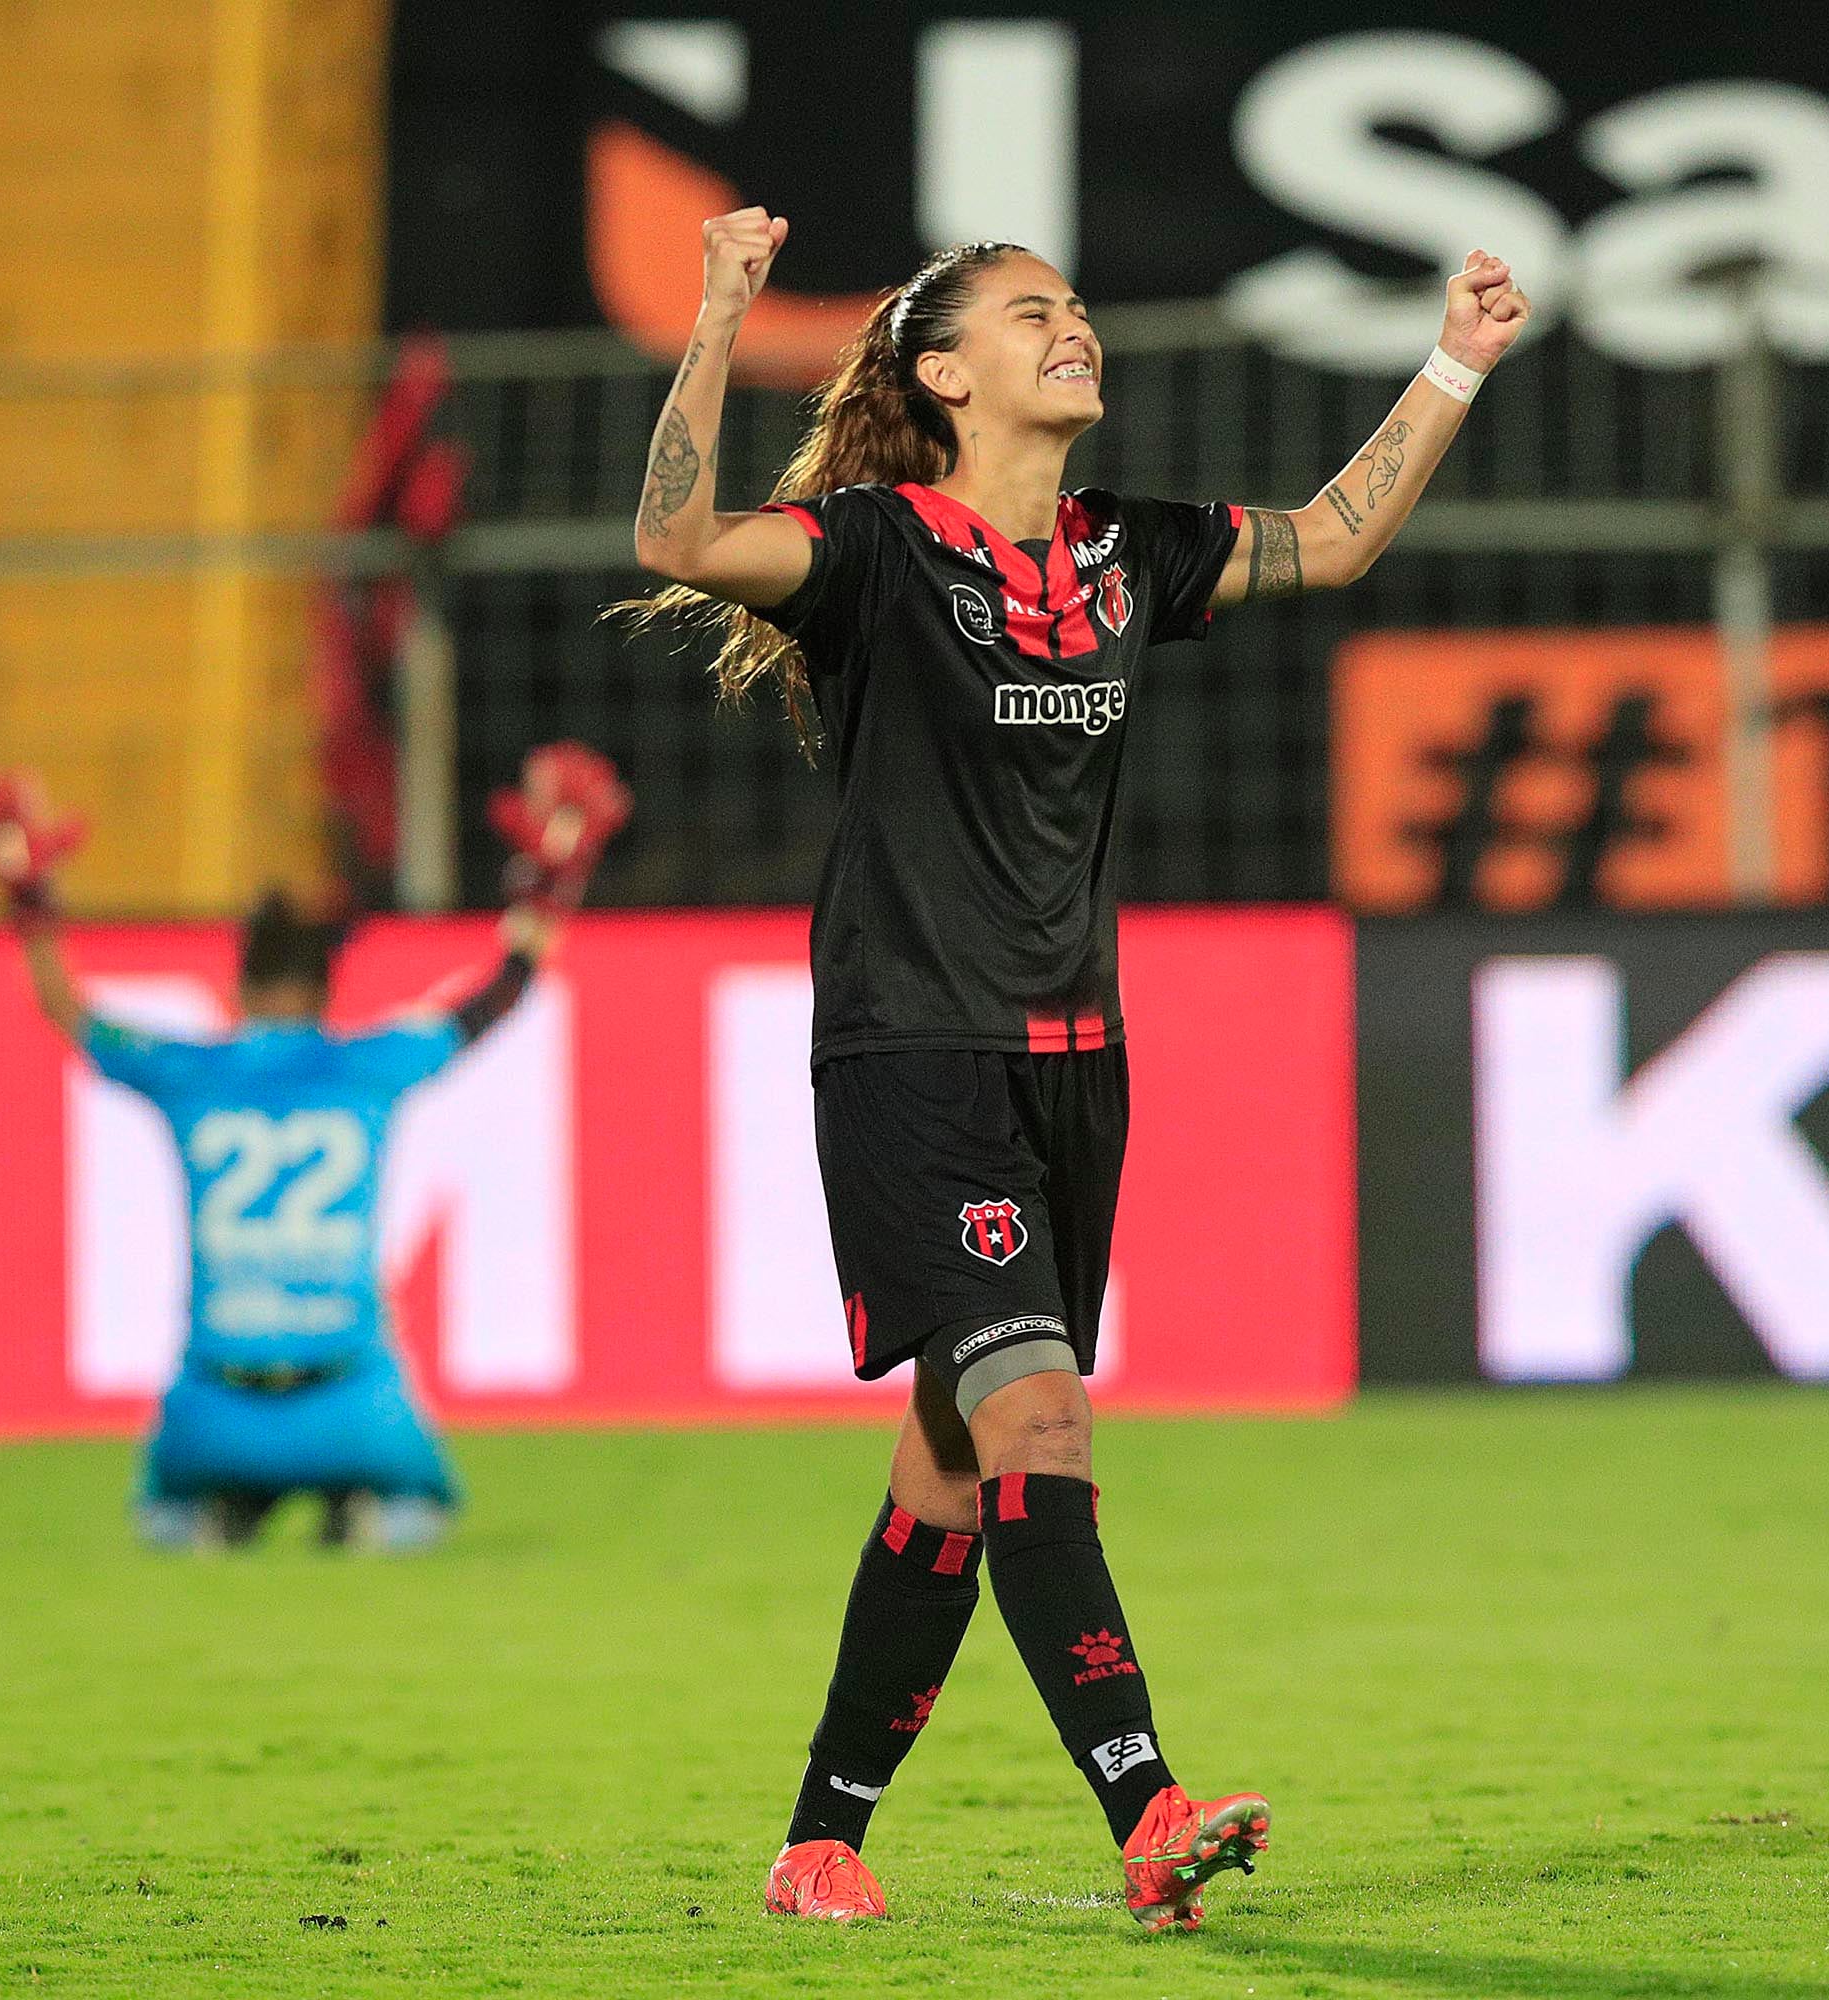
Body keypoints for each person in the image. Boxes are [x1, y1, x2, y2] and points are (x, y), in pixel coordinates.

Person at [625, 214, 1529, 1928]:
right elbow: (673, 535)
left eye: (1079, 307)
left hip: (1074, 1061)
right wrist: (724, 312)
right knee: (1040, 1417)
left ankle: (820, 1842)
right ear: (943, 373)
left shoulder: (1124, 552)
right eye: (1030, 313)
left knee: (952, 1468)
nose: (1074, 329)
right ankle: (1147, 1807)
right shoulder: (878, 550)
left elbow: (1334, 540)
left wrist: (1455, 362)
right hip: (913, 1052)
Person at [0, 749, 625, 1552]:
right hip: (351, 1401)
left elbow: (64, 1008)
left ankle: (219, 1513)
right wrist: (552, 884)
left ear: (239, 991)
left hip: (215, 1402)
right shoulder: (369, 1065)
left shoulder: (189, 1073)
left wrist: (28, 895)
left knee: (163, 1521)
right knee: (421, 1511)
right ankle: (362, 1517)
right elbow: (502, 993)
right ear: (323, 994)